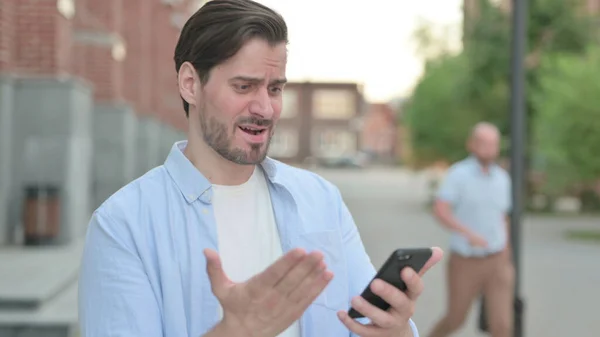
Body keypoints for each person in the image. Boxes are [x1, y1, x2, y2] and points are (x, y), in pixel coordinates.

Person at [77, 1, 443, 336]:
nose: (265, 108)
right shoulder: (124, 226)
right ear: (191, 84)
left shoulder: (320, 199)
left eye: (275, 88)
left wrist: (396, 330)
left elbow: (359, 324)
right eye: (244, 86)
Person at [426, 122, 514, 337]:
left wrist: (506, 252)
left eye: (493, 144)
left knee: (502, 325)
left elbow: (503, 217)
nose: (489, 149)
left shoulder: (502, 178)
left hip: (497, 260)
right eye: (483, 143)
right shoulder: (458, 174)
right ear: (471, 144)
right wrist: (468, 234)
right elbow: (440, 209)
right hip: (466, 260)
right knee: (455, 319)